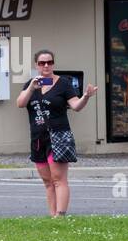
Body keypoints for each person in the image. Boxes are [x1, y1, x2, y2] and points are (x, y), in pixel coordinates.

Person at [16, 48, 97, 216]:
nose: (46, 65)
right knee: (47, 181)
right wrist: (31, 87)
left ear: (53, 64)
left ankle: (60, 215)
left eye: (49, 62)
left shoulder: (63, 83)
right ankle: (52, 216)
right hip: (38, 138)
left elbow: (76, 106)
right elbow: (20, 103)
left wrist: (86, 97)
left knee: (59, 179)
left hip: (58, 136)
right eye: (42, 63)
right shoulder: (31, 84)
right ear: (36, 65)